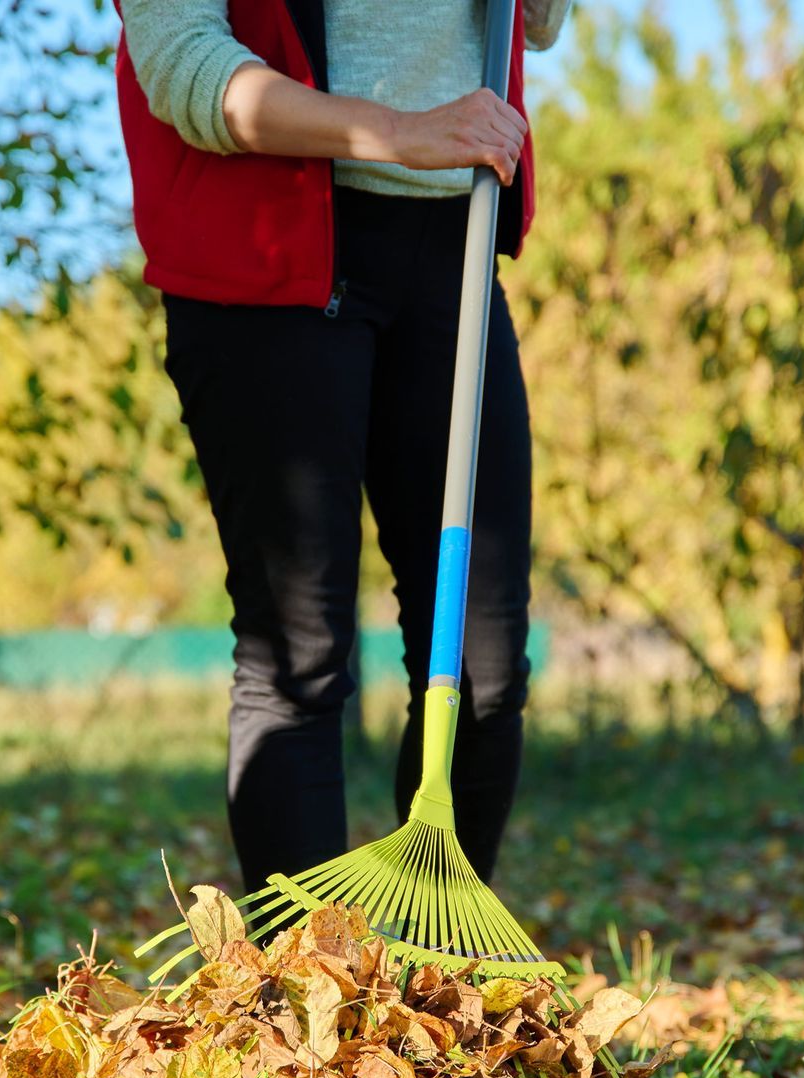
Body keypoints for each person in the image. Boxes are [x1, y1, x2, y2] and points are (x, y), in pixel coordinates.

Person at [116, 0, 570, 893]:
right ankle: (306, 1000)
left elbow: (538, 21)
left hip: (455, 247)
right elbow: (182, 67)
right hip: (269, 257)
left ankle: (436, 983)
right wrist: (397, 131)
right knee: (300, 656)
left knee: (483, 669)